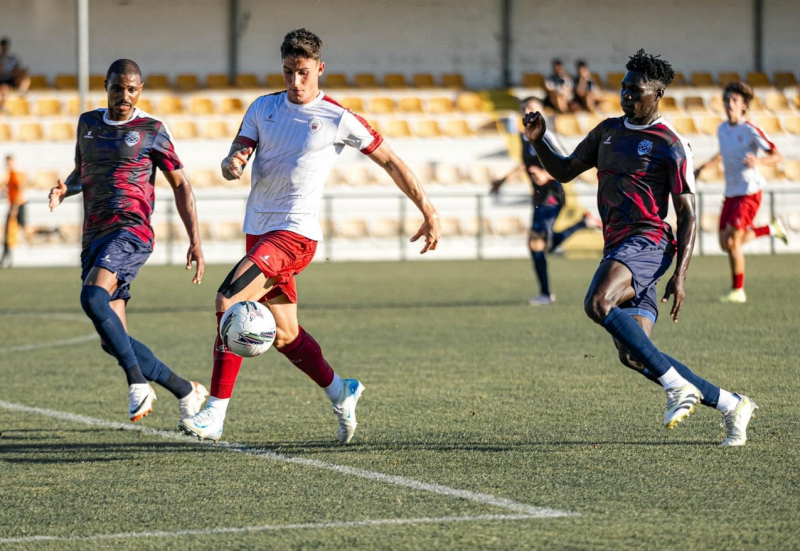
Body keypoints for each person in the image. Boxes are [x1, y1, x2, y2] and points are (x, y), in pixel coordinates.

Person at [179, 29, 440, 445]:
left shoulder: (338, 117)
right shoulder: (263, 108)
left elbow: (390, 161)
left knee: (228, 300)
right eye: (287, 72)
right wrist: (233, 163)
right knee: (284, 336)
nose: (295, 82)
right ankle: (342, 390)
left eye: (303, 73)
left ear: (319, 68)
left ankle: (215, 412)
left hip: (295, 235)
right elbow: (240, 150)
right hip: (259, 233)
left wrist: (428, 209)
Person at [523, 49, 757, 446]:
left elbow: (688, 215)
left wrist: (680, 277)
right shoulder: (607, 132)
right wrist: (539, 140)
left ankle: (675, 387)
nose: (626, 95)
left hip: (648, 240)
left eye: (636, 89)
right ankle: (731, 404)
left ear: (658, 93)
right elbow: (563, 171)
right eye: (623, 87)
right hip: (618, 245)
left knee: (597, 303)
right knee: (634, 353)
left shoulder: (671, 144)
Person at [48, 59, 208, 423]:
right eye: (117, 87)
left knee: (92, 297)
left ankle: (137, 383)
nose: (124, 95)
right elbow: (82, 173)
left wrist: (195, 240)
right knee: (112, 338)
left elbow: (181, 184)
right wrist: (65, 188)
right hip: (95, 235)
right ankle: (186, 390)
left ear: (140, 90)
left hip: (131, 230)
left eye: (132, 89)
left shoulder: (151, 129)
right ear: (106, 86)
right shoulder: (87, 123)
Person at [491, 96, 600, 305]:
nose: (527, 113)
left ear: (542, 112)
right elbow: (526, 164)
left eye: (531, 109)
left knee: (536, 244)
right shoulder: (526, 136)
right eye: (524, 110)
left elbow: (569, 163)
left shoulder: (547, 135)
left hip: (552, 195)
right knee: (539, 246)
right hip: (539, 197)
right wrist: (503, 180)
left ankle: (545, 293)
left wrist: (546, 176)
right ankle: (582, 223)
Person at [694, 82, 788, 303]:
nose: (729, 104)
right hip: (731, 191)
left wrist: (759, 160)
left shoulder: (750, 130)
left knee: (734, 243)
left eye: (734, 100)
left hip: (749, 191)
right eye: (727, 100)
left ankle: (738, 290)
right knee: (723, 243)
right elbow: (723, 153)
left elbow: (777, 156)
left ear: (744, 106)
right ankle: (770, 229)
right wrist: (703, 167)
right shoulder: (722, 129)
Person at [1, 155, 33, 268]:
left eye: (9, 162)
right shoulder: (9, 175)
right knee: (8, 229)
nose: (8, 165)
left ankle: (33, 244)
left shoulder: (15, 174)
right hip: (14, 204)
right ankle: (6, 255)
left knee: (21, 227)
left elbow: (20, 189)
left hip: (18, 205)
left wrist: (14, 208)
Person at [0, 38, 31, 114]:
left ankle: (22, 91)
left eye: (6, 47)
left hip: (11, 78)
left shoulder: (12, 58)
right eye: (3, 47)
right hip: (2, 79)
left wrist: (13, 73)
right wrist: (3, 59)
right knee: (4, 89)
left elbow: (17, 68)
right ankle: (2, 106)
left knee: (25, 75)